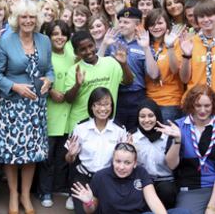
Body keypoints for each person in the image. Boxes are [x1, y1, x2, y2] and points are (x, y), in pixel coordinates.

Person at [0, 0, 54, 214]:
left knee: (31, 154)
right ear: (17, 19)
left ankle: (26, 195)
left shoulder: (44, 40)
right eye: (23, 17)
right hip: (13, 106)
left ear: (37, 19)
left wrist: (49, 80)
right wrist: (15, 87)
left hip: (36, 106)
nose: (28, 20)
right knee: (11, 153)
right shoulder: (6, 41)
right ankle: (13, 194)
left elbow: (50, 70)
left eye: (31, 17)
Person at [71, 142, 190, 214]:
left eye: (127, 163)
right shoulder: (100, 176)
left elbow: (153, 200)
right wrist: (88, 202)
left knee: (184, 212)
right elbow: (90, 211)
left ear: (134, 163)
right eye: (118, 161)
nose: (121, 167)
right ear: (112, 160)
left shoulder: (141, 172)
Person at [66, 87, 126, 213]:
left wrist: (129, 149)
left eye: (106, 104)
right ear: (91, 107)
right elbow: (69, 159)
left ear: (112, 106)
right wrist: (71, 154)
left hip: (109, 179)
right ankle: (74, 196)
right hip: (84, 178)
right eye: (98, 104)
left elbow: (125, 159)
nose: (103, 109)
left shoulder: (119, 130)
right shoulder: (80, 128)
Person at [99, 7, 160, 130]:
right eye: (120, 22)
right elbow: (96, 66)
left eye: (126, 22)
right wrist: (104, 45)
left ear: (137, 25)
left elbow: (154, 75)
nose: (121, 25)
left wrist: (146, 48)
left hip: (137, 96)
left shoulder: (144, 43)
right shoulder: (112, 42)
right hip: (115, 94)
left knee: (136, 134)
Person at [159, 84, 215, 213]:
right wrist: (177, 139)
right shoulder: (178, 126)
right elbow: (172, 165)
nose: (202, 110)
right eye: (198, 105)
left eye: (207, 106)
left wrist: (212, 207)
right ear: (191, 105)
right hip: (191, 188)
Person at [64, 30, 133, 132]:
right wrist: (77, 85)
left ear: (95, 44)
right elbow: (68, 99)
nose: (88, 51)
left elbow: (128, 81)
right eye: (82, 49)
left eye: (90, 46)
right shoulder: (74, 70)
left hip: (106, 121)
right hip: (81, 123)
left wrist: (123, 64)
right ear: (76, 52)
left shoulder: (111, 62)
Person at [38, 20, 74, 208]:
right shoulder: (44, 53)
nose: (59, 37)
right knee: (47, 156)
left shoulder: (71, 52)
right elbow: (38, 75)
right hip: (49, 111)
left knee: (62, 154)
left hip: (68, 111)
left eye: (63, 33)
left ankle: (57, 187)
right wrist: (51, 90)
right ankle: (44, 191)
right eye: (55, 33)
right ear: (48, 36)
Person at [132, 98, 177, 209]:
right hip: (142, 181)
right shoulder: (132, 137)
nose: (147, 120)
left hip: (165, 180)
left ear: (157, 116)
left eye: (151, 115)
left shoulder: (167, 135)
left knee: (167, 191)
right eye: (142, 116)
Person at [144, 9, 184, 122]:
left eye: (160, 23)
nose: (156, 27)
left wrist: (170, 46)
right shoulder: (145, 43)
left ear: (167, 23)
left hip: (170, 100)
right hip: (149, 101)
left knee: (167, 138)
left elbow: (175, 70)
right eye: (152, 24)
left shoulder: (175, 41)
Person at [180, 0, 215, 93]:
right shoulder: (190, 43)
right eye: (201, 16)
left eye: (210, 15)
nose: (206, 19)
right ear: (197, 20)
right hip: (195, 99)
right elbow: (184, 79)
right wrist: (186, 56)